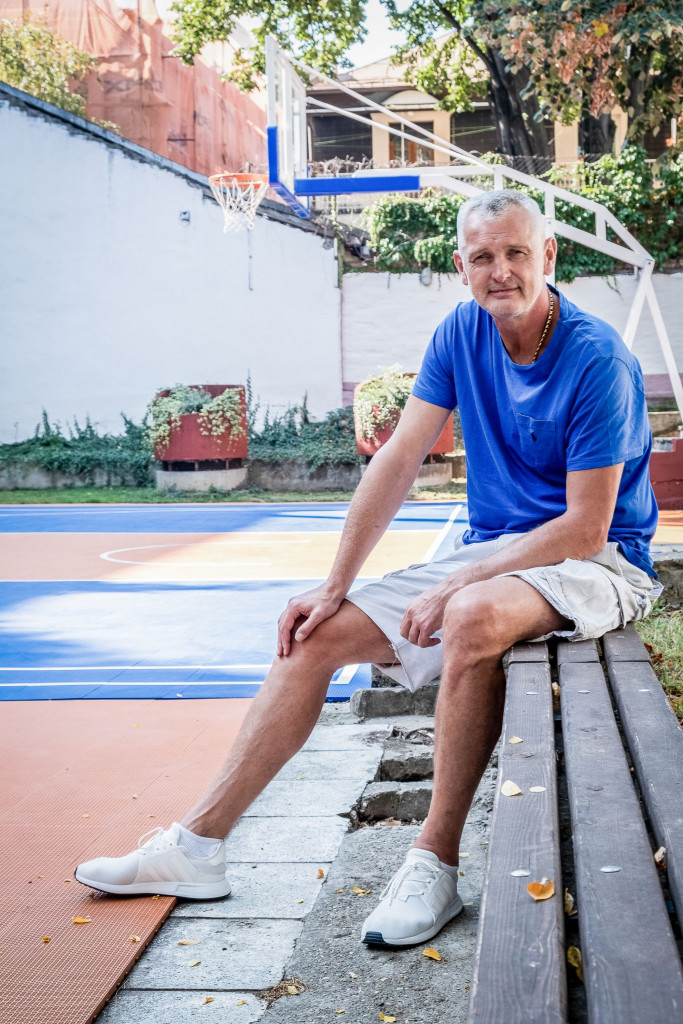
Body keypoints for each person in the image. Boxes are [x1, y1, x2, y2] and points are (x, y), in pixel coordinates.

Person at [75, 189, 661, 947]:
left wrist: (459, 579)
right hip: (496, 551)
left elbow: (585, 526)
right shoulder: (460, 333)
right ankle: (197, 846)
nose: (501, 271)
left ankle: (433, 864)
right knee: (310, 635)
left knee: (469, 612)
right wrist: (335, 584)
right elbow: (398, 457)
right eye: (482, 256)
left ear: (547, 255)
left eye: (516, 252)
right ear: (461, 266)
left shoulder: (596, 358)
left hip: (602, 562)